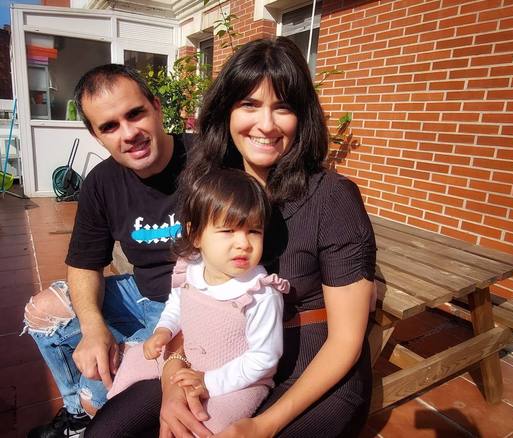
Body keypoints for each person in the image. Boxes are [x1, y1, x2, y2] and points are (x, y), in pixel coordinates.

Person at [87, 36, 376, 438]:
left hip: (311, 372)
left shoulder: (331, 199)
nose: (266, 124)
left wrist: (262, 426)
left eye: (284, 107)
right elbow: (194, 293)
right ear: (226, 110)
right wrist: (174, 371)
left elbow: (346, 341)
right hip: (216, 360)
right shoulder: (209, 186)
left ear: (302, 117)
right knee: (109, 431)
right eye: (249, 104)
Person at [22, 64, 191, 438]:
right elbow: (84, 263)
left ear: (157, 107)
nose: (129, 134)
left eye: (135, 114)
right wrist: (93, 326)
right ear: (96, 135)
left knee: (96, 394)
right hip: (141, 291)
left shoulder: (203, 161)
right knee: (42, 312)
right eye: (110, 126)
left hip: (189, 303)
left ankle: (87, 408)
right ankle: (75, 418)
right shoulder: (102, 182)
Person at [106, 168, 289, 433]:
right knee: (132, 363)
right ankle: (112, 402)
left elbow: (264, 358)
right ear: (195, 234)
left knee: (203, 426)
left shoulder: (260, 292)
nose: (243, 243)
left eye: (254, 231)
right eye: (228, 230)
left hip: (238, 383)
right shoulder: (190, 268)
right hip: (186, 359)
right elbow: (177, 304)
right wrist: (163, 330)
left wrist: (210, 383)